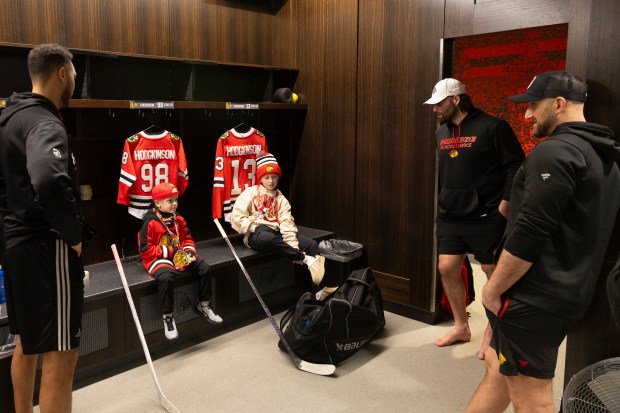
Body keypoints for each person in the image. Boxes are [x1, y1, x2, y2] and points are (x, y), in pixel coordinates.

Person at [465, 71, 620, 413]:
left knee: (532, 400)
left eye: (534, 105)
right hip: (563, 292)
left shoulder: (554, 153)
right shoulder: (603, 157)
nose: (527, 115)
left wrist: (492, 290)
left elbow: (530, 232)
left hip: (534, 298)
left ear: (560, 104)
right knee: (497, 370)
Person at [0, 43, 86, 413]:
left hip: (17, 246)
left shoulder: (10, 117)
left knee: (28, 341)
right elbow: (49, 180)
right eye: (75, 74)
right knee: (61, 353)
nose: (76, 82)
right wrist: (73, 234)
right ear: (62, 73)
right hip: (45, 249)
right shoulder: (44, 121)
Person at [423, 78, 525, 355]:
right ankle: (460, 326)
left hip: (486, 215)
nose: (435, 110)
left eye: (440, 103)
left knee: (492, 274)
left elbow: (516, 165)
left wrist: (505, 204)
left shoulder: (493, 127)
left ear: (456, 99)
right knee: (446, 268)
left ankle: (493, 330)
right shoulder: (441, 132)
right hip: (450, 215)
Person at [230, 153, 335, 300]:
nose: (271, 181)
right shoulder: (249, 193)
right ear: (260, 178)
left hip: (278, 234)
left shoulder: (281, 199)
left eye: (274, 177)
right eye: (267, 177)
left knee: (311, 245)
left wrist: (293, 246)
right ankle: (305, 259)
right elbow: (236, 218)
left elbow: (287, 225)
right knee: (268, 238)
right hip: (257, 234)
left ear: (278, 177)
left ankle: (319, 291)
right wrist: (253, 226)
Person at [138, 182, 223, 340]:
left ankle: (204, 305)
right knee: (166, 277)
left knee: (204, 267)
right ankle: (168, 317)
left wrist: (189, 252)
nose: (174, 204)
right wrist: (173, 251)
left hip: (179, 255)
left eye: (176, 199)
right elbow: (145, 250)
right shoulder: (149, 222)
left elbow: (187, 239)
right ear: (157, 203)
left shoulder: (179, 219)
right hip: (158, 258)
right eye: (169, 201)